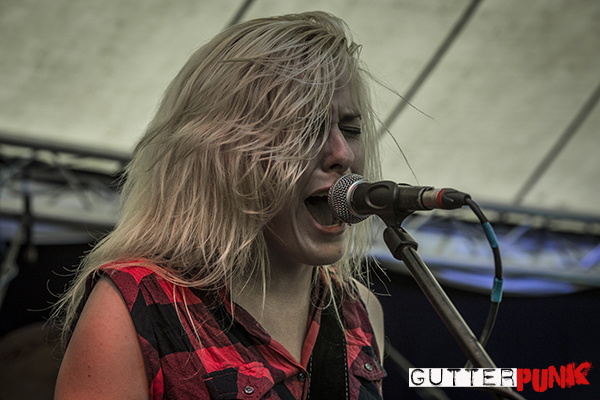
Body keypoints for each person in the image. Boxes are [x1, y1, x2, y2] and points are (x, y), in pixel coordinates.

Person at [53, 11, 386, 400]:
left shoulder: (359, 310)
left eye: (351, 129)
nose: (343, 154)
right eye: (306, 128)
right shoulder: (134, 306)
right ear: (222, 153)